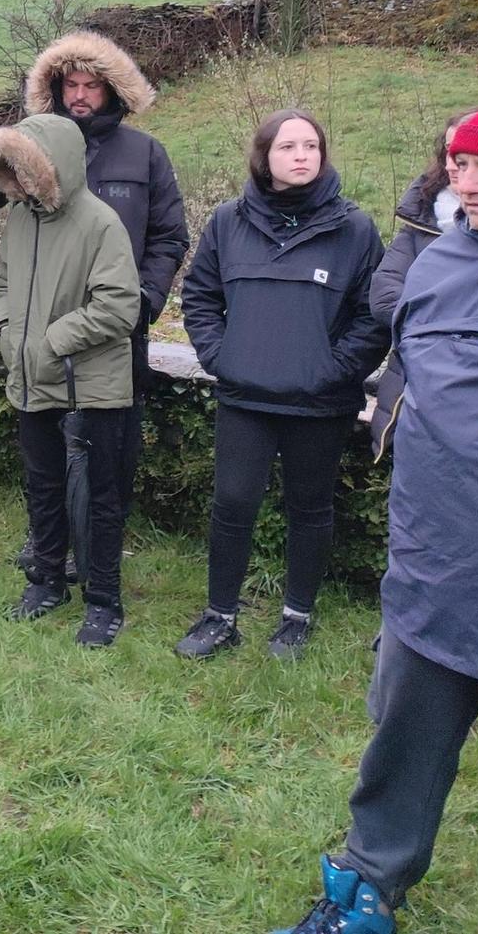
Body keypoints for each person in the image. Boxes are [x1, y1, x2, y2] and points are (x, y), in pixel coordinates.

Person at [268, 81, 478, 934]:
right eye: (461, 164)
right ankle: (365, 895)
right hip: (433, 575)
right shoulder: (441, 258)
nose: (464, 181)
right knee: (396, 764)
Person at [175, 110, 389, 662]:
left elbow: (374, 315)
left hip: (319, 402)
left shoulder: (354, 228)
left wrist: (331, 369)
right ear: (264, 157)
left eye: (312, 145)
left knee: (310, 507)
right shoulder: (228, 221)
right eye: (288, 146)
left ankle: (297, 616)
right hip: (245, 396)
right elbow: (198, 297)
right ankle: (220, 615)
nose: (302, 156)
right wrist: (222, 356)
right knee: (232, 503)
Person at [0, 32, 189, 542]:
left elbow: (170, 236)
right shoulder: (36, 148)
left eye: (92, 85)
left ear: (111, 90)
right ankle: (50, 541)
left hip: (113, 323)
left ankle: (99, 540)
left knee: (112, 447)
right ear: (57, 88)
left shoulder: (145, 153)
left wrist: (143, 304)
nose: (81, 96)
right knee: (44, 445)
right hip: (45, 320)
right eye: (72, 85)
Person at [0, 108, 139, 646]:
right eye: (10, 173)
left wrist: (52, 341)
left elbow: (120, 306)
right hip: (31, 382)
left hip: (87, 386)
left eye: (23, 171)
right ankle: (47, 580)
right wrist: (4, 325)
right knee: (42, 486)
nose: (15, 184)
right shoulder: (20, 219)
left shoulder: (100, 223)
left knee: (99, 496)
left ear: (50, 168)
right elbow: (2, 281)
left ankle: (103, 599)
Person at [365, 110, 477, 455]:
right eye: (450, 151)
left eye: (470, 152)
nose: (456, 163)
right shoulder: (422, 219)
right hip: (411, 393)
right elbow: (384, 297)